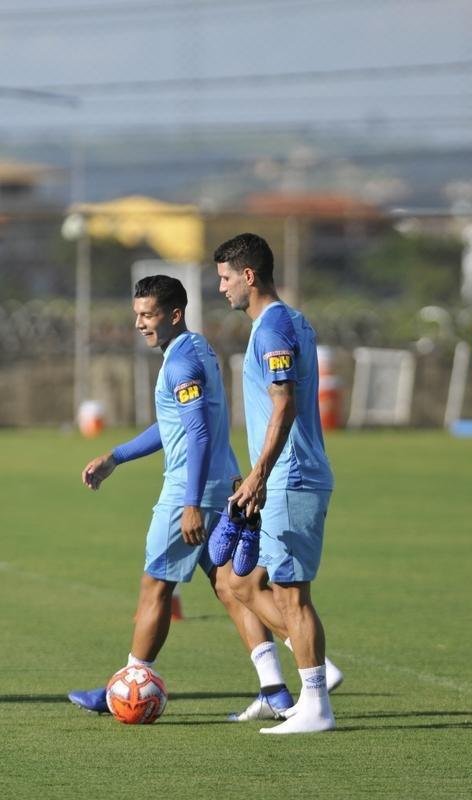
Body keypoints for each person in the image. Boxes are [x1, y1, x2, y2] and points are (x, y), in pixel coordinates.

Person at [68, 274, 340, 720]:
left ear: (174, 314)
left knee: (155, 584)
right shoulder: (193, 350)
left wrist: (191, 502)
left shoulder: (180, 364)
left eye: (148, 314)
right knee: (232, 587)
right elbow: (174, 424)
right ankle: (277, 689)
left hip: (189, 491)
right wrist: (116, 456)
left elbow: (195, 433)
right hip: (224, 481)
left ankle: (129, 682)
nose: (140, 323)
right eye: (136, 314)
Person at [213, 233, 338, 734]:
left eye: (224, 277)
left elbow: (284, 403)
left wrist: (261, 473)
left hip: (292, 476)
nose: (220, 288)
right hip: (279, 474)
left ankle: (316, 705)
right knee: (239, 581)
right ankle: (317, 670)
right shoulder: (287, 322)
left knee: (291, 595)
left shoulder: (274, 328)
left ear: (248, 275)